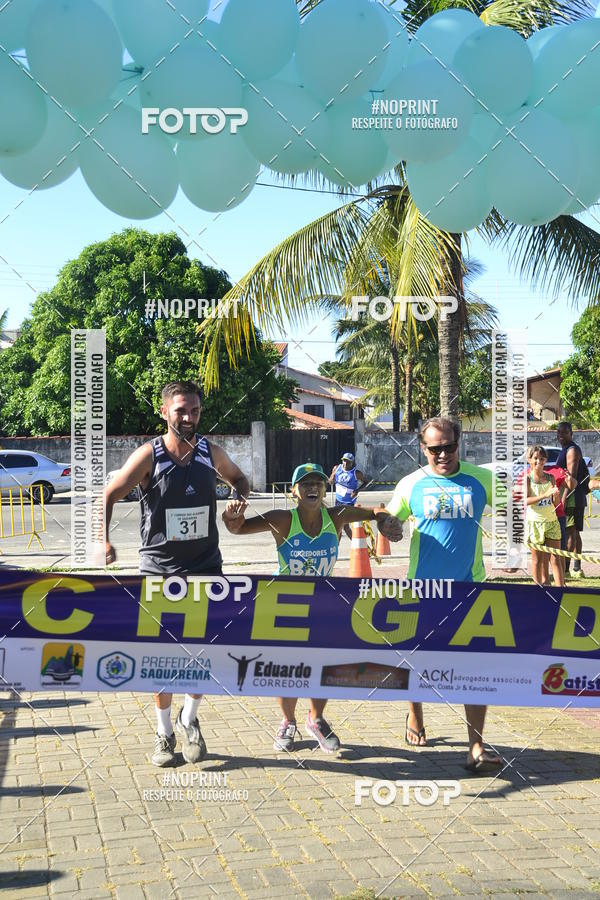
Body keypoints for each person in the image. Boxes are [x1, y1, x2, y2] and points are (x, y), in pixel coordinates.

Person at [104, 380, 250, 767]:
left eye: (195, 410)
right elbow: (109, 494)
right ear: (165, 412)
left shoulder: (209, 452)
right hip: (158, 572)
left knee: (201, 653)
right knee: (160, 658)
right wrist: (102, 542)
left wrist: (238, 499)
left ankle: (190, 719)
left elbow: (239, 478)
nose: (189, 418)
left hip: (205, 568)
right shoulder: (149, 456)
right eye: (181, 410)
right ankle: (164, 731)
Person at [222, 462, 402, 754]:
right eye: (305, 483)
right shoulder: (282, 519)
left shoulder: (338, 515)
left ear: (325, 488)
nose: (312, 488)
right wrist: (229, 515)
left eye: (318, 483)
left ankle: (315, 719)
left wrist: (386, 519)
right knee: (286, 670)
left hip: (323, 605)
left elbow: (373, 512)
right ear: (294, 491)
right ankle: (287, 721)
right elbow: (238, 529)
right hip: (286, 605)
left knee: (323, 666)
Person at [379, 416, 502, 773]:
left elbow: (514, 507)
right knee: (417, 661)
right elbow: (391, 520)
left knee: (474, 668)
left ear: (458, 443)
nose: (443, 454)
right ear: (423, 448)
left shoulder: (481, 479)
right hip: (423, 589)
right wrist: (389, 526)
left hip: (470, 587)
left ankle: (475, 745)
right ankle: (415, 716)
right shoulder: (411, 483)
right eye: (435, 449)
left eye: (449, 446)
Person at [526, 446, 565, 587]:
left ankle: (561, 590)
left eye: (542, 459)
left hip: (552, 522)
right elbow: (525, 500)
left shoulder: (550, 478)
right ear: (529, 460)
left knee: (555, 558)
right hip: (535, 523)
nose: (538, 461)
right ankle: (538, 590)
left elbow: (555, 503)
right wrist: (544, 495)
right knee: (537, 560)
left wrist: (556, 496)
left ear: (545, 460)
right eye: (535, 458)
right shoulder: (528, 479)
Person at [556, 422, 590, 579]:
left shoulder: (572, 450)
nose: (561, 435)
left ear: (571, 433)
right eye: (559, 433)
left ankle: (566, 570)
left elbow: (571, 478)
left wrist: (562, 499)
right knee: (574, 533)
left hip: (572, 499)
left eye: (564, 433)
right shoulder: (565, 449)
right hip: (572, 498)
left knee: (570, 534)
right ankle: (577, 569)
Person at [329, 452, 368, 538]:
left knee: (344, 525)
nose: (346, 463)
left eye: (348, 462)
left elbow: (366, 482)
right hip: (338, 500)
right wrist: (331, 479)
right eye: (344, 461)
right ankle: (338, 545)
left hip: (349, 502)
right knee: (339, 524)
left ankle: (358, 545)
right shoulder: (337, 468)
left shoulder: (356, 473)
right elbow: (331, 479)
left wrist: (357, 490)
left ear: (352, 463)